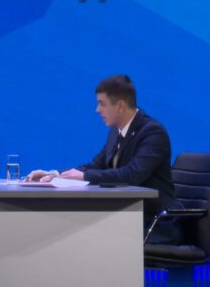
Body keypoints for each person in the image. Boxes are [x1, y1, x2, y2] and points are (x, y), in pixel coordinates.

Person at [25, 75, 183, 244]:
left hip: (156, 223)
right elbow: (96, 165)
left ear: (120, 106)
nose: (97, 110)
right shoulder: (116, 131)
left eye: (102, 103)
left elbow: (132, 174)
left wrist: (85, 176)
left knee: (87, 236)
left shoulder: (152, 133)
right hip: (129, 218)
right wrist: (55, 174)